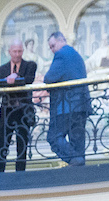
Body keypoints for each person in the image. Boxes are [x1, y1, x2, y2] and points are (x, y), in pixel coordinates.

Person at [39, 29, 89, 166]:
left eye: (53, 46)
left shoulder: (61, 55)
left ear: (62, 40)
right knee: (77, 140)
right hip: (82, 105)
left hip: (66, 106)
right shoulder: (77, 55)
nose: (52, 50)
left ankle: (75, 160)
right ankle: (80, 170)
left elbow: (49, 78)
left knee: (54, 137)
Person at [0, 42, 38, 172]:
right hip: (6, 112)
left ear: (23, 51)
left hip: (23, 112)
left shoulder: (30, 65)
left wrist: (16, 77)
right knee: (2, 145)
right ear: (9, 52)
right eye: (15, 51)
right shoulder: (2, 69)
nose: (17, 54)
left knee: (22, 146)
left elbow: (28, 80)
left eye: (19, 51)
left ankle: (20, 177)